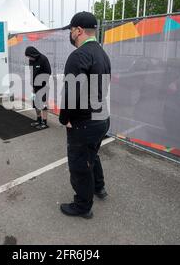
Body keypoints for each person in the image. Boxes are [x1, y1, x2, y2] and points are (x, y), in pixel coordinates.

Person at [59, 12, 112, 219]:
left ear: (78, 30)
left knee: (80, 164)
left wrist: (65, 119)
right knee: (92, 155)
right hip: (102, 118)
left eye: (71, 30)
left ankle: (82, 206)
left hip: (84, 122)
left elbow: (71, 93)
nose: (70, 34)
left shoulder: (79, 55)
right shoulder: (102, 53)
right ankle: (99, 187)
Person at [25, 46, 52, 130]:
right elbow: (31, 72)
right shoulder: (31, 60)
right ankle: (38, 120)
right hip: (34, 86)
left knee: (43, 104)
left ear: (33, 54)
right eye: (28, 57)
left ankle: (44, 122)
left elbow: (48, 72)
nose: (29, 58)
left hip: (43, 86)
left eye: (30, 56)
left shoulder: (43, 59)